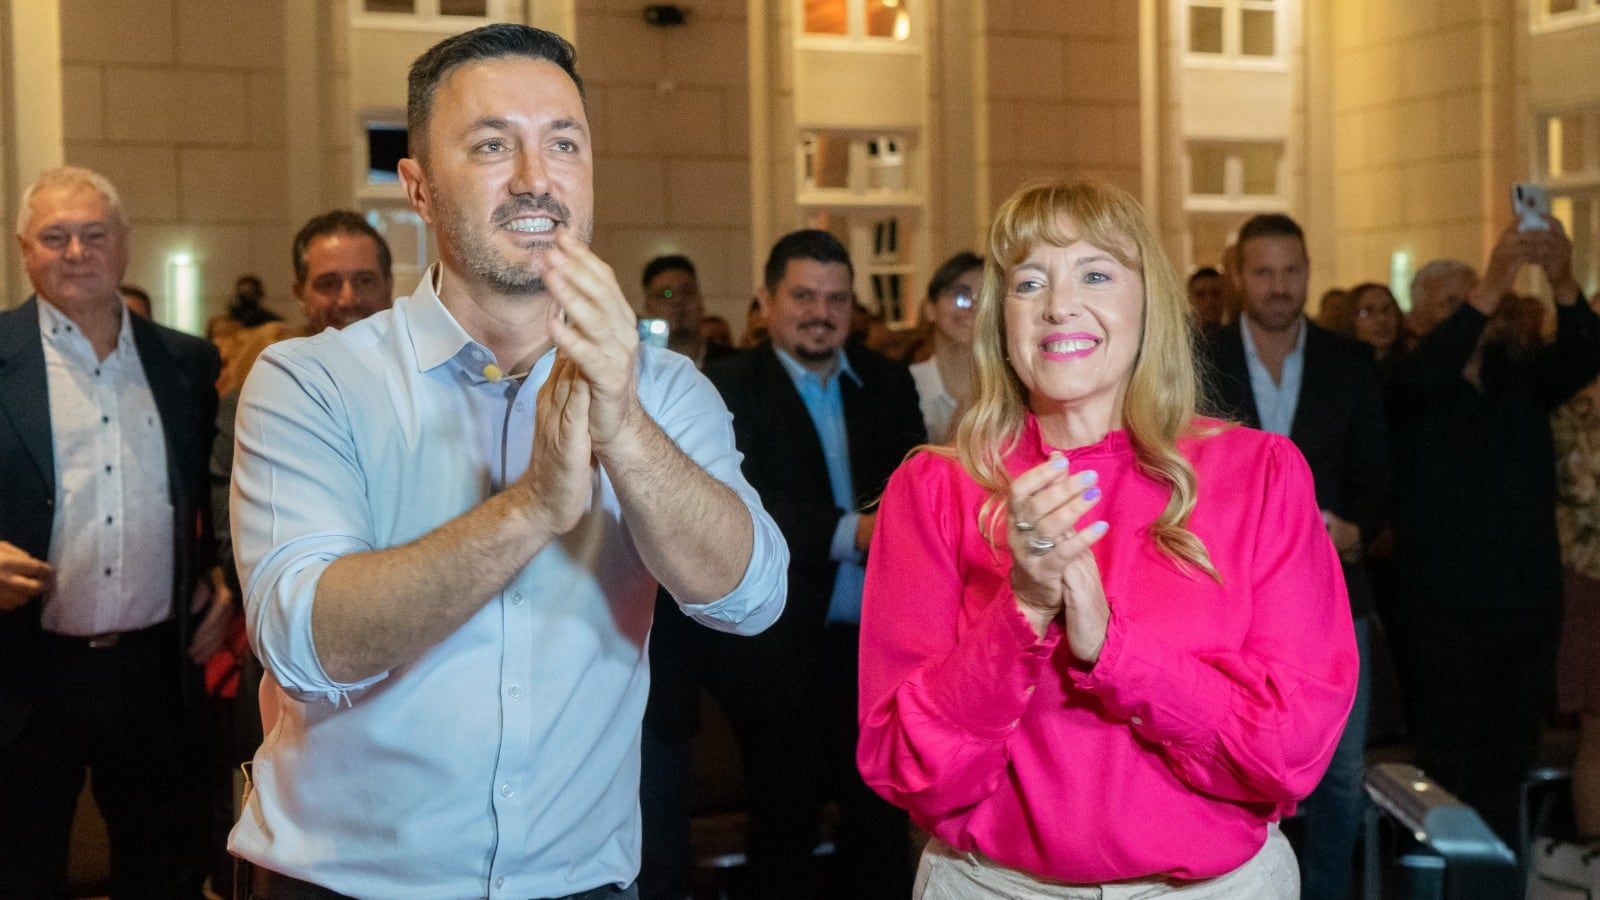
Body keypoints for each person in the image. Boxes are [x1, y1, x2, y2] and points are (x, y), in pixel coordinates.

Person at [227, 24, 787, 900]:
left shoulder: (665, 389)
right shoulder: (315, 380)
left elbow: (750, 598)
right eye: (493, 145)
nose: (537, 177)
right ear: (417, 186)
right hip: (346, 882)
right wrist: (531, 507)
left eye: (563, 143)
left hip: (580, 882)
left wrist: (624, 423)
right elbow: (303, 642)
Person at [858, 180, 1357, 898]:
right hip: (996, 887)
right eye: (1031, 281)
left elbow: (1290, 752)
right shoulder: (935, 493)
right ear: (1004, 319)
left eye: (1095, 273)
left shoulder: (1258, 474)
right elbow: (910, 767)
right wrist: (1022, 610)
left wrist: (1115, 651)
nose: (1060, 304)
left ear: (1146, 302)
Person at [0, 166, 223, 898]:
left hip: (152, 674)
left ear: (124, 246)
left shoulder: (187, 363)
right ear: (24, 250)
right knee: (21, 868)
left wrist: (222, 578)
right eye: (54, 237)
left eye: (94, 235)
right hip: (25, 672)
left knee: (158, 872)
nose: (75, 252)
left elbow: (208, 496)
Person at [702, 229, 926, 899]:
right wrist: (858, 533)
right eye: (802, 295)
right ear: (766, 301)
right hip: (778, 658)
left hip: (879, 658)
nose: (820, 312)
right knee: (783, 839)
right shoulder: (727, 388)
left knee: (879, 832)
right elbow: (745, 506)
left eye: (835, 298)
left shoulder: (888, 383)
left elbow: (917, 490)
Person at [1387, 221, 1600, 846]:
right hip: (1443, 612)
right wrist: (1495, 279)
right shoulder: (1406, 380)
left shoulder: (1517, 374)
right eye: (1454, 303)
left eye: (1481, 302)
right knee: (1449, 766)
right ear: (1419, 317)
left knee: (1507, 769)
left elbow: (1586, 353)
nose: (1476, 314)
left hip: (1525, 606)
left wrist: (1561, 278)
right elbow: (1433, 368)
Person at [1199, 212, 1389, 900]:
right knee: (1233, 763)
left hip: (1337, 593)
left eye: (1292, 271)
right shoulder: (1200, 357)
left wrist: (1355, 527)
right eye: (1264, 272)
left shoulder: (1350, 361)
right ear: (1239, 278)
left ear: (1308, 273)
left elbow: (1378, 474)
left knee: (1340, 773)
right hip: (1226, 602)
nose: (1280, 287)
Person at [633, 253, 739, 900]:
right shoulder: (637, 380)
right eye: (664, 292)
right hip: (656, 624)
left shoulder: (729, 375)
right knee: (658, 802)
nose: (678, 302)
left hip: (730, 597)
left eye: (687, 291)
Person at [909, 251, 981, 442]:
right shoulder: (907, 385)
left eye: (984, 298)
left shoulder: (1009, 388)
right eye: (961, 296)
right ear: (930, 309)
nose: (974, 307)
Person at [291, 209, 395, 334]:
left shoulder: (420, 351)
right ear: (300, 295)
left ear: (388, 287)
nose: (348, 300)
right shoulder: (272, 351)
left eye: (364, 281)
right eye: (328, 284)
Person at [638, 254, 735, 367]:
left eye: (687, 291)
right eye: (666, 294)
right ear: (648, 308)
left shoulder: (734, 364)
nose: (677, 301)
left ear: (701, 302)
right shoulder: (636, 368)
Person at [1186, 265, 1226, 330]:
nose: (1209, 301)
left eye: (1215, 294)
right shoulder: (1179, 336)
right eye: (1200, 295)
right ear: (1190, 299)